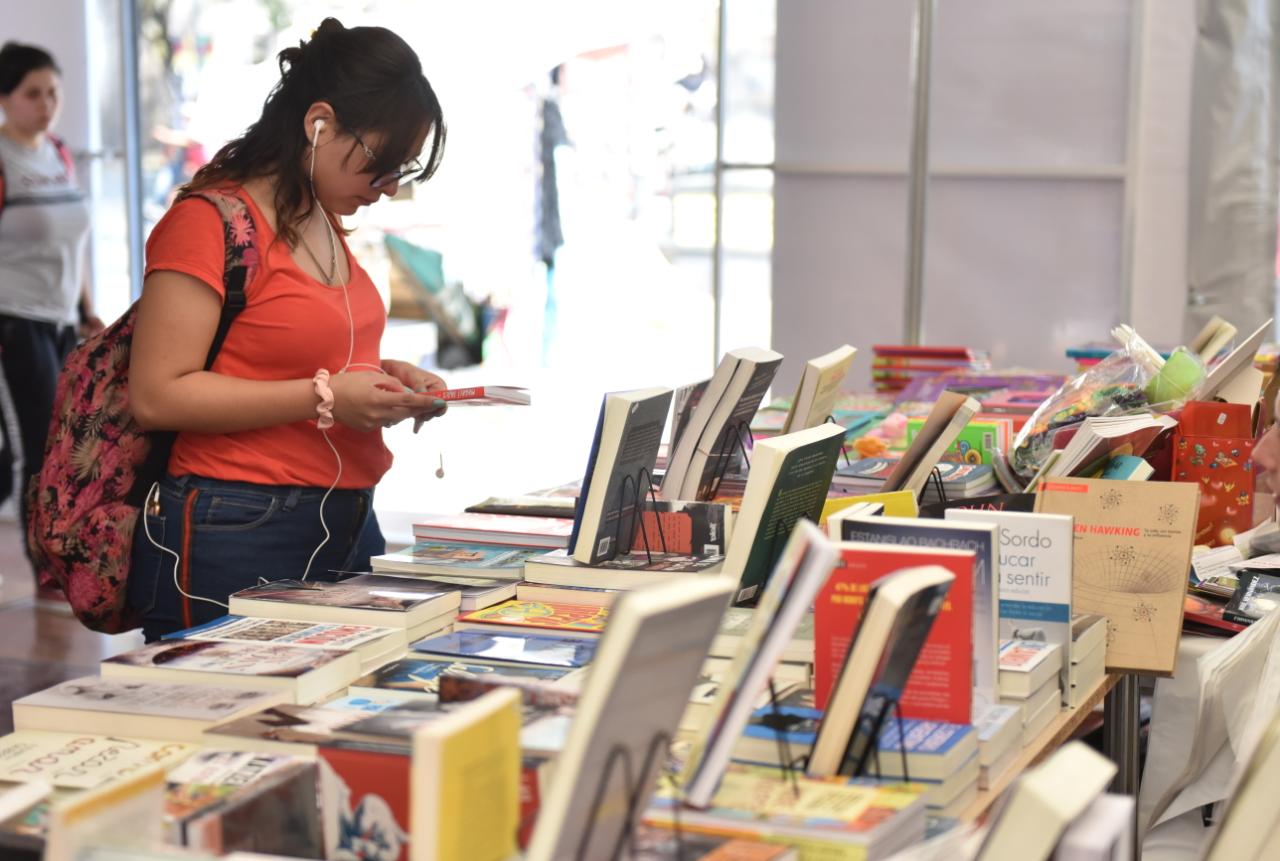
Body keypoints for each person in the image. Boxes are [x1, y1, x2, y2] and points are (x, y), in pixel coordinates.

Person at [126, 19, 449, 642]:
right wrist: (324, 397)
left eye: (397, 174)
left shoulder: (322, 219)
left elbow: (284, 355)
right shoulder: (210, 222)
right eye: (378, 168)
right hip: (239, 526)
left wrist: (385, 377)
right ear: (318, 123)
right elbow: (158, 393)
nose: (385, 190)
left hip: (345, 518)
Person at [0, 42, 104, 605]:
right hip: (13, 324)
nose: (47, 105)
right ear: (4, 99)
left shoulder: (59, 153)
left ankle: (65, 555)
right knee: (35, 449)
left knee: (71, 445)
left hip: (64, 320)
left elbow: (75, 241)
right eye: (32, 94)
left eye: (54, 92)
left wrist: (87, 308)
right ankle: (44, 566)